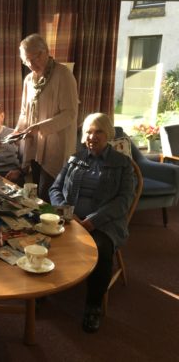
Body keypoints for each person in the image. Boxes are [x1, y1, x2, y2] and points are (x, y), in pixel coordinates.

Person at [49, 113, 135, 333]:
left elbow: (125, 200)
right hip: (70, 219)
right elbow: (55, 189)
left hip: (105, 223)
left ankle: (93, 305)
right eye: (88, 131)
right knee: (41, 236)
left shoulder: (122, 163)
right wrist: (68, 213)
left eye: (98, 131)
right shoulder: (74, 158)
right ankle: (43, 290)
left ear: (108, 134)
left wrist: (93, 221)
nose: (92, 136)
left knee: (100, 248)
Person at [14, 33, 79, 202]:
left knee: (47, 195)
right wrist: (17, 130)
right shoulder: (29, 79)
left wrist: (40, 127)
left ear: (44, 53)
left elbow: (70, 113)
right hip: (34, 145)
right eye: (25, 61)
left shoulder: (63, 75)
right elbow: (24, 112)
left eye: (32, 59)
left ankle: (54, 227)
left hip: (54, 147)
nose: (29, 64)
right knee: (35, 195)